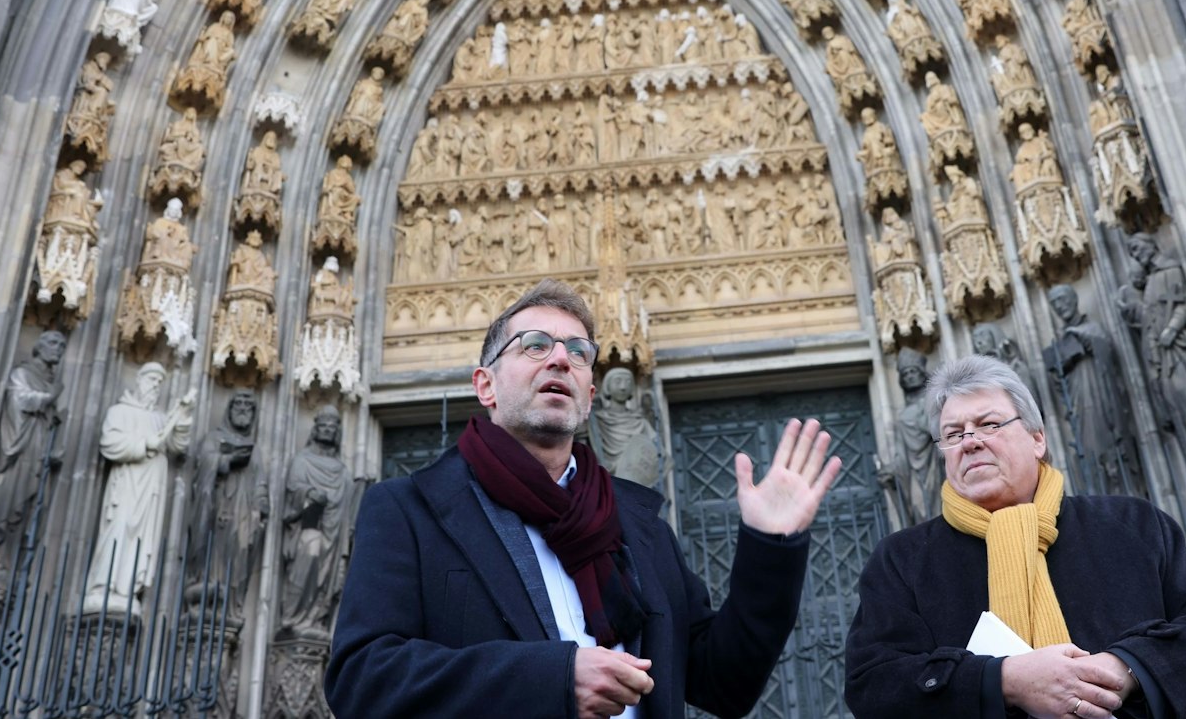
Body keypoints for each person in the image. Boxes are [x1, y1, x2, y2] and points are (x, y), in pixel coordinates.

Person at [328, 279, 843, 719]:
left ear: (590, 394)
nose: (560, 358)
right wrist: (553, 680)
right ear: (485, 386)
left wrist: (771, 547)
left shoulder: (638, 526)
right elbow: (362, 680)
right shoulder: (408, 511)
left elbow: (723, 681)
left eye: (578, 352)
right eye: (534, 345)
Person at [844, 356, 1186, 719]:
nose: (969, 442)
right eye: (953, 434)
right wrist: (1003, 680)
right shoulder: (903, 560)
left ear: (1037, 438)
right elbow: (873, 683)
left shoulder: (1131, 524)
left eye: (988, 424)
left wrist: (1125, 668)